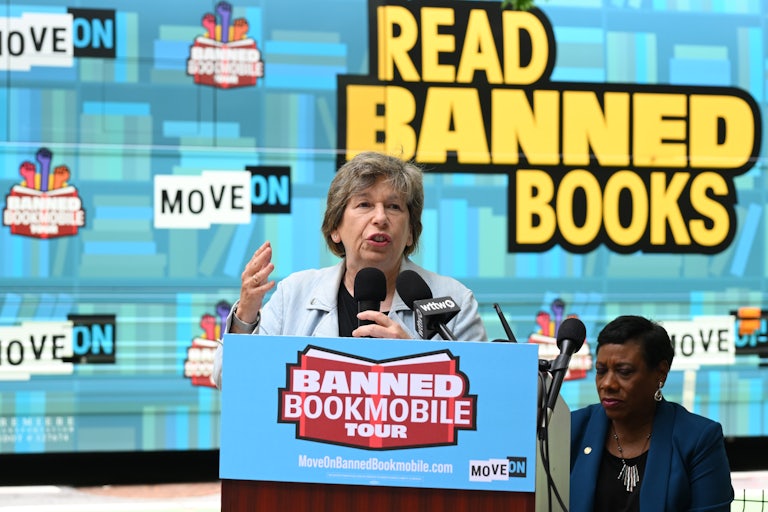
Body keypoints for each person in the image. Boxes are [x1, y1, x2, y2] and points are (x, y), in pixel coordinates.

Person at [212, 151, 487, 388]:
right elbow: (231, 379)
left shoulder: (454, 300)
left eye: (393, 206)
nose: (380, 218)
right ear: (335, 228)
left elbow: (483, 396)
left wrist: (416, 362)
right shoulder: (294, 294)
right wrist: (246, 314)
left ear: (411, 233)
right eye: (364, 204)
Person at [570, 315, 734, 512]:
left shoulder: (698, 439)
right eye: (601, 371)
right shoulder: (572, 429)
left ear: (660, 373)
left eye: (624, 371)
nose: (607, 384)